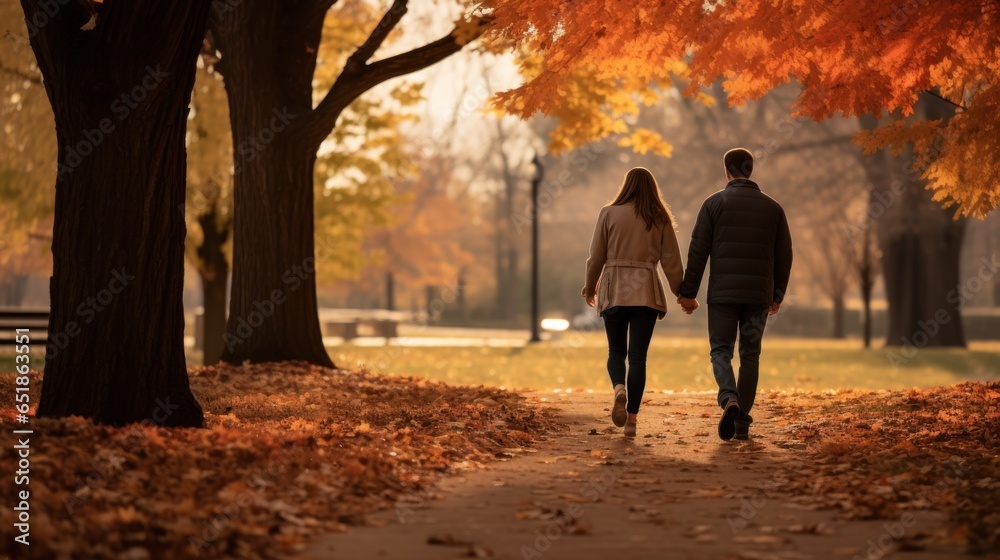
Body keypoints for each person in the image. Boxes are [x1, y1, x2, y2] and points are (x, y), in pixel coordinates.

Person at [677, 148, 793, 441]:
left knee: (721, 351)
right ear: (750, 170)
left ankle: (729, 398)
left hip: (723, 296)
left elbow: (698, 251)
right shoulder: (773, 209)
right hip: (758, 296)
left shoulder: (713, 204)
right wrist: (777, 295)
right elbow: (784, 256)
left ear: (726, 170)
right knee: (750, 355)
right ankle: (742, 423)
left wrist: (688, 293)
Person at [582, 167, 686, 438]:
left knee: (616, 351)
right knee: (638, 358)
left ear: (625, 185)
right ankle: (631, 421)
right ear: (653, 188)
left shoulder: (609, 213)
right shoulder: (659, 217)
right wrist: (682, 294)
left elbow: (596, 257)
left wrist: (589, 287)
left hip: (615, 287)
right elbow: (671, 262)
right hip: (646, 291)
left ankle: (619, 389)